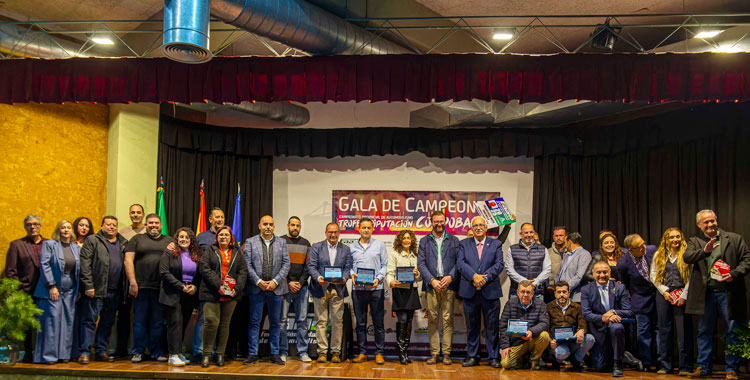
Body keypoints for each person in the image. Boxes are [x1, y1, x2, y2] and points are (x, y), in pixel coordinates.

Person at [684, 210, 750, 380]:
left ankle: (732, 369)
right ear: (699, 225)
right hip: (705, 294)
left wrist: (734, 274)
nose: (710, 224)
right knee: (704, 331)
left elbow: (747, 259)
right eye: (706, 222)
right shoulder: (695, 241)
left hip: (729, 293)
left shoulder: (734, 238)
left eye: (712, 221)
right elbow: (687, 257)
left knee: (732, 331)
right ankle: (703, 367)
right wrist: (704, 252)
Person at [457, 216, 509, 368]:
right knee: (472, 326)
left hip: (490, 290)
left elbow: (499, 264)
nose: (478, 227)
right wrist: (474, 276)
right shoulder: (463, 244)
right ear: (472, 229)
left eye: (481, 225)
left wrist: (484, 279)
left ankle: (493, 356)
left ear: (486, 228)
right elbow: (460, 263)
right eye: (475, 225)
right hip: (469, 290)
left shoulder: (496, 244)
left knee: (491, 326)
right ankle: (473, 356)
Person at [124, 213, 174, 363]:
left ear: (161, 225)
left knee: (157, 322)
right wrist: (132, 282)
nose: (153, 225)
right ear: (146, 225)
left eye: (156, 223)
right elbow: (128, 260)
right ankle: (138, 351)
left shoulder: (169, 241)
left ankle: (156, 352)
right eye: (150, 223)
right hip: (140, 287)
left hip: (161, 288)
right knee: (139, 321)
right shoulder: (136, 239)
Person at [78, 216, 127, 364]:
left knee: (107, 322)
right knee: (89, 321)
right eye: (108, 224)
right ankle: (85, 352)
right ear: (102, 226)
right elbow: (84, 264)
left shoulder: (123, 243)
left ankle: (101, 351)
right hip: (96, 289)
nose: (111, 227)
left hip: (115, 290)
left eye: (114, 225)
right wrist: (88, 285)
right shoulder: (93, 240)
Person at [242, 215, 290, 366]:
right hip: (257, 289)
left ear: (274, 227)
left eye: (271, 224)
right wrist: (259, 281)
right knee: (255, 322)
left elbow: (286, 264)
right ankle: (252, 353)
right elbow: (247, 264)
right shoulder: (250, 242)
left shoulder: (282, 242)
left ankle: (274, 354)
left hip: (276, 289)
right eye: (265, 224)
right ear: (259, 226)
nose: (268, 227)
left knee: (276, 323)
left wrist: (275, 281)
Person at [199, 226, 247, 367]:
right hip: (211, 293)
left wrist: (236, 290)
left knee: (225, 325)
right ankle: (206, 355)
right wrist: (218, 285)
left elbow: (243, 272)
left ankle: (220, 354)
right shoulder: (210, 250)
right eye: (221, 235)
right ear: (217, 237)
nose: (223, 237)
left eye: (226, 235)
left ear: (231, 238)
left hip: (231, 295)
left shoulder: (237, 253)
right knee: (211, 322)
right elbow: (204, 268)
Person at [33, 220, 80, 364]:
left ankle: (63, 355)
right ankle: (49, 356)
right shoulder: (50, 245)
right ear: (58, 230)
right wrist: (51, 286)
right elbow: (44, 264)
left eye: (68, 228)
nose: (66, 230)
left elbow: (78, 270)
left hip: (70, 290)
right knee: (51, 322)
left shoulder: (76, 247)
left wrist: (79, 289)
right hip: (52, 289)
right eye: (63, 227)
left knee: (67, 322)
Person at [417, 210, 460, 365]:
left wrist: (450, 276)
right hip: (432, 286)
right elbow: (420, 263)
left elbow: (458, 262)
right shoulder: (424, 241)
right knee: (433, 320)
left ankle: (447, 353)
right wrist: (431, 280)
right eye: (436, 221)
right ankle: (435, 353)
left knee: (448, 320)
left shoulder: (454, 240)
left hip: (449, 285)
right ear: (431, 222)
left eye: (441, 221)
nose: (439, 224)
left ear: (445, 221)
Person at [650, 227, 692, 376]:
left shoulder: (687, 254)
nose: (675, 240)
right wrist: (664, 291)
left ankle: (685, 367)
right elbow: (653, 275)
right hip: (664, 295)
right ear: (666, 240)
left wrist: (684, 295)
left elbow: (691, 276)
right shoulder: (659, 254)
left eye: (677, 237)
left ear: (681, 238)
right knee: (664, 330)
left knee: (683, 332)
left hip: (682, 294)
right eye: (671, 237)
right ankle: (665, 365)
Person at [307, 222, 351, 364]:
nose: (333, 235)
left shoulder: (345, 249)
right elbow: (311, 266)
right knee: (321, 322)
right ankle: (322, 352)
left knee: (337, 322)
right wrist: (318, 278)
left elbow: (348, 267)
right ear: (326, 233)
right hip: (320, 288)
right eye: (330, 232)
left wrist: (344, 277)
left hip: (338, 289)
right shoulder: (316, 247)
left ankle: (336, 352)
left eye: (335, 232)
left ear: (339, 233)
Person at [581, 261, 634, 377]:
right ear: (593, 274)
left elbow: (629, 311)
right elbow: (586, 314)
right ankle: (625, 356)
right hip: (599, 329)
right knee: (600, 367)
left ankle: (618, 363)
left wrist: (613, 312)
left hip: (616, 326)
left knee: (617, 327)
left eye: (605, 272)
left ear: (610, 273)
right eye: (598, 272)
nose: (602, 275)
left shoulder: (620, 288)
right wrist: (603, 318)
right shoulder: (586, 290)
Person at [159, 227, 202, 367]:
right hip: (173, 293)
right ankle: (172, 355)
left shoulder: (196, 254)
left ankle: (179, 352)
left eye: (187, 238)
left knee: (183, 324)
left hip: (189, 294)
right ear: (176, 239)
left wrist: (194, 286)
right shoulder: (169, 252)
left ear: (191, 241)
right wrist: (181, 286)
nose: (184, 240)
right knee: (175, 324)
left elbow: (200, 274)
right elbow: (164, 272)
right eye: (181, 237)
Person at [4, 214, 46, 361]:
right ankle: (28, 353)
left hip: (46, 292)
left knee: (45, 324)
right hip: (26, 292)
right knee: (27, 326)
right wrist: (18, 290)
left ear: (40, 226)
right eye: (29, 224)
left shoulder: (50, 244)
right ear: (25, 227)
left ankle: (44, 354)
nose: (32, 227)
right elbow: (10, 271)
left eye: (35, 224)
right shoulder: (17, 245)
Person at [349, 217, 389, 365]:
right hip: (358, 289)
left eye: (368, 228)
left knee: (378, 323)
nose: (366, 230)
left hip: (376, 289)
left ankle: (379, 353)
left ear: (372, 229)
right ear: (358, 229)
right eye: (363, 227)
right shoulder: (352, 247)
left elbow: (385, 265)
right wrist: (351, 273)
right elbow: (350, 266)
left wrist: (378, 278)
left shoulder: (379, 245)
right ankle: (362, 352)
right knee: (360, 323)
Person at [617, 233, 655, 371]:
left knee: (660, 330)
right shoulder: (623, 264)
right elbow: (625, 284)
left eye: (643, 243)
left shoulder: (651, 250)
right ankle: (646, 362)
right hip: (640, 301)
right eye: (639, 247)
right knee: (643, 332)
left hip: (658, 297)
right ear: (630, 250)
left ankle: (662, 362)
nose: (643, 247)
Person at [279, 216, 312, 363]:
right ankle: (282, 351)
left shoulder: (306, 243)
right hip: (284, 287)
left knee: (302, 321)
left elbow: (308, 267)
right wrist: (288, 282)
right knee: (282, 321)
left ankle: (303, 352)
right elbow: (278, 265)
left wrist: (299, 282)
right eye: (292, 225)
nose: (295, 228)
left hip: (302, 288)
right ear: (288, 226)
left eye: (297, 225)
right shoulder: (280, 241)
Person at [386, 229, 422, 365]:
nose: (407, 240)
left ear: (412, 240)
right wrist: (391, 281)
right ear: (400, 240)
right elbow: (389, 272)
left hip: (412, 292)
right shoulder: (395, 254)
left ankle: (405, 351)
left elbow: (419, 278)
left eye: (409, 238)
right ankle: (401, 353)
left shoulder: (416, 255)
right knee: (402, 321)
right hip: (400, 291)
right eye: (404, 238)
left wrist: (417, 274)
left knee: (409, 322)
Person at [114, 204, 145, 358]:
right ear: (129, 214)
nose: (135, 215)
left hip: (144, 280)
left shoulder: (150, 231)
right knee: (124, 317)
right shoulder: (122, 233)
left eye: (138, 212)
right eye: (132, 212)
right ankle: (121, 349)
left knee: (142, 318)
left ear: (143, 215)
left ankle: (141, 350)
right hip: (124, 282)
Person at [498, 280, 551, 370]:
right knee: (505, 364)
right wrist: (505, 346)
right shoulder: (510, 303)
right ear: (518, 292)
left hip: (532, 339)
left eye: (528, 292)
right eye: (523, 292)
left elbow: (545, 323)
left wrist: (531, 331)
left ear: (533, 293)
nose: (525, 295)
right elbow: (503, 325)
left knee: (545, 336)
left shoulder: (540, 304)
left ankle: (534, 360)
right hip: (517, 343)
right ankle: (523, 360)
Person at [547, 280, 595, 371]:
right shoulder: (548, 307)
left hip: (573, 340)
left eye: (564, 292)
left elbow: (583, 322)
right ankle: (557, 361)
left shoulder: (577, 307)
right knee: (562, 353)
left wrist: (581, 330)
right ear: (555, 294)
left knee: (590, 338)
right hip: (557, 342)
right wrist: (550, 340)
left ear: (569, 293)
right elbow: (546, 325)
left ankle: (576, 360)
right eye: (559, 292)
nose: (562, 294)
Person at [506, 223, 551, 297]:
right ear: (521, 234)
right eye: (526, 232)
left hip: (537, 292)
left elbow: (547, 270)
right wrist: (524, 282)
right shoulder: (512, 249)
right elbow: (509, 269)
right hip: (517, 292)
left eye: (531, 232)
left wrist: (535, 283)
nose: (529, 235)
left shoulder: (543, 249)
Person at [555, 232, 592, 302]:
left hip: (575, 297)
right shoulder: (567, 256)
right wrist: (558, 287)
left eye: (565, 242)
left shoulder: (584, 254)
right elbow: (559, 273)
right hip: (562, 296)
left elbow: (579, 276)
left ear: (570, 242)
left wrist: (566, 288)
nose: (564, 245)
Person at [546, 226, 567, 302]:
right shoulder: (548, 252)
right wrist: (548, 285)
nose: (558, 238)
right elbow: (545, 269)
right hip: (552, 289)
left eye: (561, 235)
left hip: (568, 288)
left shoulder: (571, 251)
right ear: (553, 237)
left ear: (566, 236)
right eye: (556, 235)